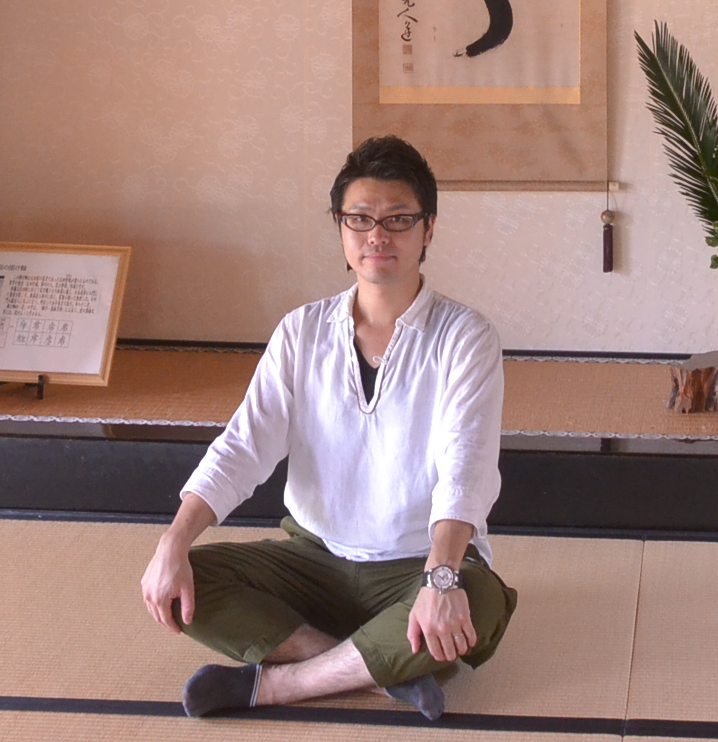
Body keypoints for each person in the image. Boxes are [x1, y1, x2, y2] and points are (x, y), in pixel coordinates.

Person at [140, 135, 515, 721]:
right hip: (314, 562)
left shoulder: (466, 337)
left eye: (398, 219)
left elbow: (466, 469)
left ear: (428, 230)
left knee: (480, 600)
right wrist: (173, 542)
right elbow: (243, 446)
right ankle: (379, 667)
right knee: (187, 584)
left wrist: (441, 581)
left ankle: (277, 685)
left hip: (417, 563)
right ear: (340, 229)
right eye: (359, 219)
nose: (377, 236)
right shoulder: (301, 332)